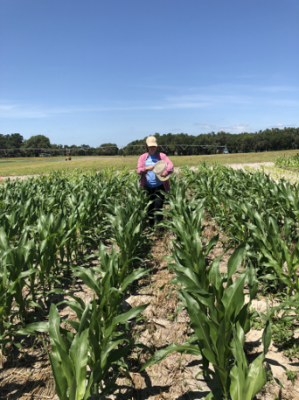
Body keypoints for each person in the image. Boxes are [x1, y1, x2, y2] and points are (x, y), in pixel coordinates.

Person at [137, 136, 174, 227]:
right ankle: (151, 226)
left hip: (159, 186)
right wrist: (146, 169)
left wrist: (165, 173)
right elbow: (139, 171)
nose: (152, 148)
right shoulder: (143, 157)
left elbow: (171, 166)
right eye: (150, 146)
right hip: (147, 186)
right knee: (149, 207)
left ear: (156, 146)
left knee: (158, 206)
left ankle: (159, 226)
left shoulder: (161, 156)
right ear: (147, 146)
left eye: (154, 146)